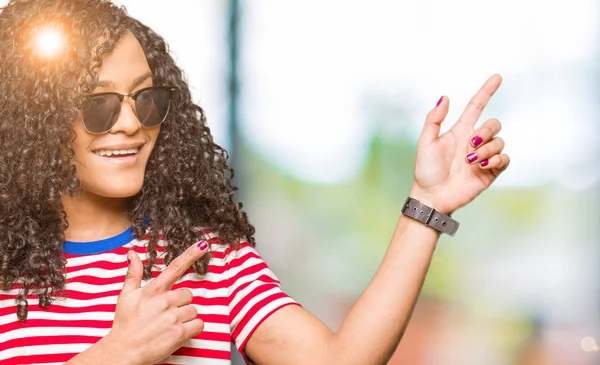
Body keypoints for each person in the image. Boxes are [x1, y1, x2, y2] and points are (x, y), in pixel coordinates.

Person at [0, 0, 510, 364]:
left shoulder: (204, 254)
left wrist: (427, 202)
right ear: (35, 121)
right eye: (100, 105)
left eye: (146, 99)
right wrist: (118, 354)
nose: (132, 123)